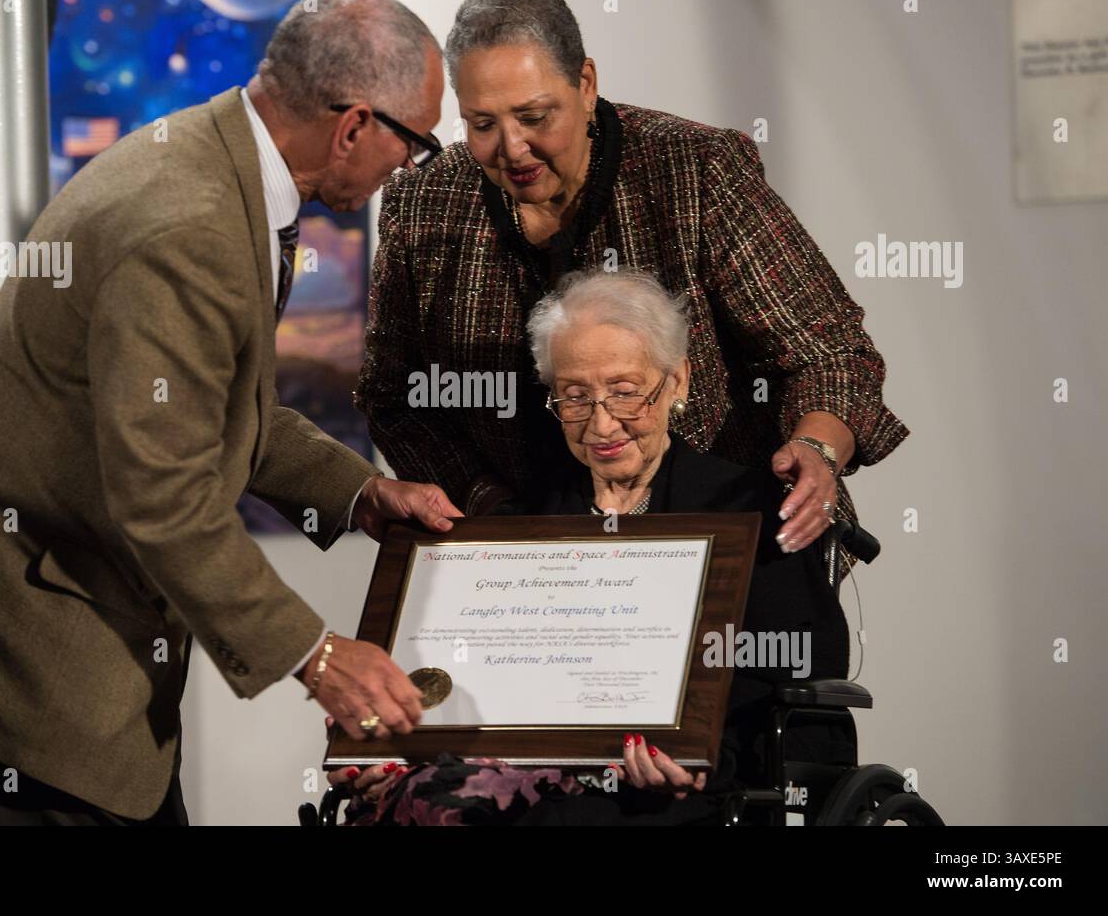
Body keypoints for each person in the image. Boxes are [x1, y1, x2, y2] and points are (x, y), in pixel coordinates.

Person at [0, 0, 460, 826]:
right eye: (415, 143)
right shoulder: (188, 224)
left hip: (50, 611)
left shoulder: (221, 164)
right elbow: (164, 497)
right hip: (12, 646)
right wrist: (319, 657)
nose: (406, 168)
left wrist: (358, 493)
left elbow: (220, 409)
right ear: (353, 126)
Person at [355, 0, 908, 569]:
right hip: (524, 563)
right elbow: (392, 395)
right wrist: (485, 501)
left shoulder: (694, 171)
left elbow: (830, 353)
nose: (511, 148)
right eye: (482, 124)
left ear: (586, 84)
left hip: (728, 541)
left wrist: (817, 448)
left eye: (535, 117)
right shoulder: (425, 204)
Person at [331, 270, 854, 826]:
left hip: (690, 788)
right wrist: (382, 739)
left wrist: (702, 755)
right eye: (575, 397)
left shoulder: (747, 511)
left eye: (626, 392)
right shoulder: (518, 525)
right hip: (531, 776)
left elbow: (797, 677)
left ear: (676, 381)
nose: (602, 424)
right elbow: (463, 670)